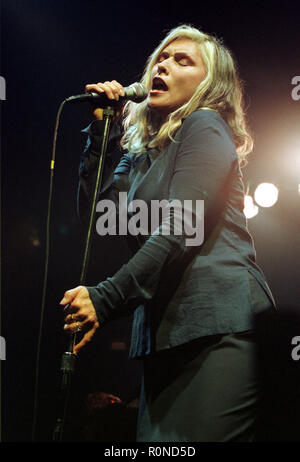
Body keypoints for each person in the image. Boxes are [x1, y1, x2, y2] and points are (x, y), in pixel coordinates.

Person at [60, 24, 277, 442]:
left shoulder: (205, 126)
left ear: (210, 85)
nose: (163, 65)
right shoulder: (143, 153)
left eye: (182, 61)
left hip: (218, 326)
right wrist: (102, 136)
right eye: (160, 58)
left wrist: (103, 300)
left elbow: (180, 228)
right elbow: (100, 219)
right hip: (163, 334)